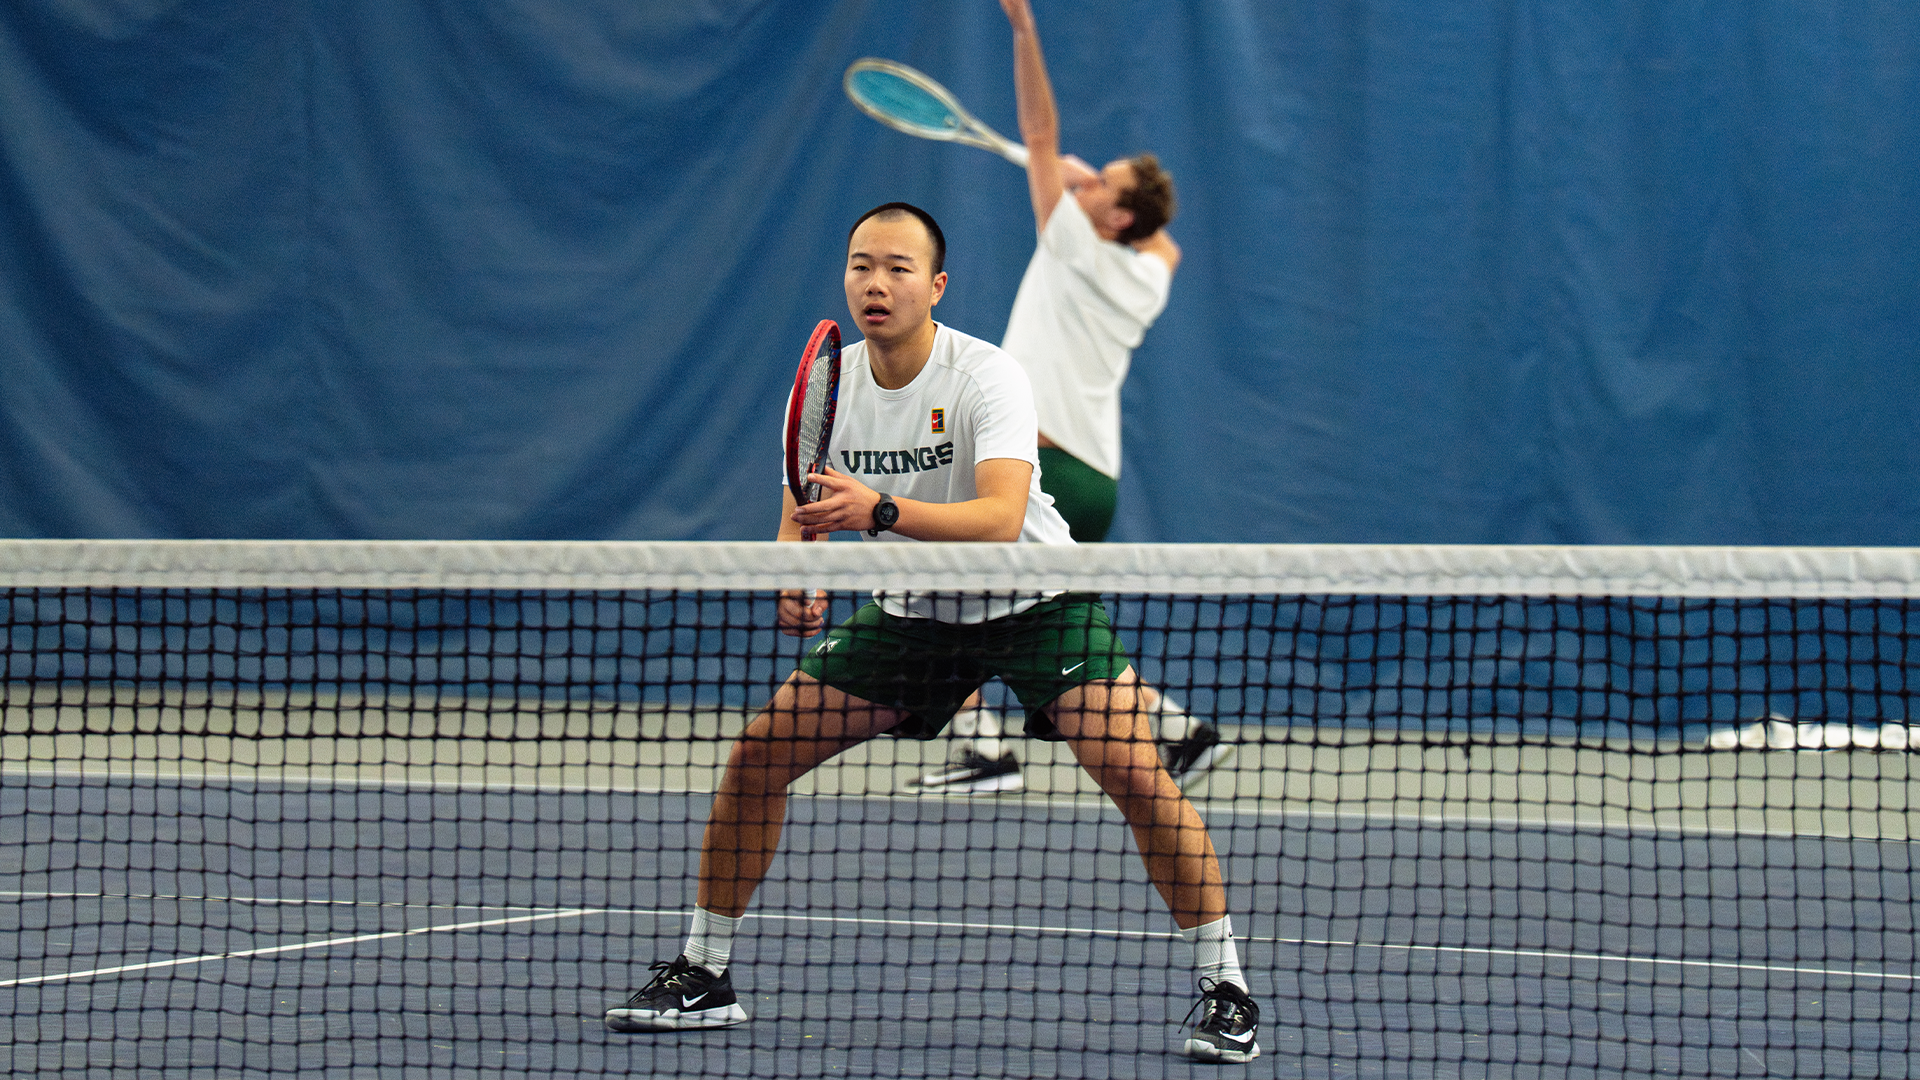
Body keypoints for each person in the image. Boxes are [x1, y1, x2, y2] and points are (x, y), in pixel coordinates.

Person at [604, 202, 1261, 1063]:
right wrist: (798, 577)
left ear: (936, 285)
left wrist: (878, 509)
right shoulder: (827, 389)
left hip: (1036, 601)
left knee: (1136, 775)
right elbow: (798, 516)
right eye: (861, 265)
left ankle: (1227, 990)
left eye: (899, 268)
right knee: (758, 755)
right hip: (915, 614)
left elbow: (997, 517)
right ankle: (704, 971)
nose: (876, 283)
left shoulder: (986, 376)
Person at [911, 0, 1234, 797]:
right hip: (1098, 484)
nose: (1088, 185)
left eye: (1108, 186)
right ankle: (1178, 728)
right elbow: (1166, 235)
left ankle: (984, 747)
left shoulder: (1070, 239)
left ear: (1114, 215)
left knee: (946, 579)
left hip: (1041, 469)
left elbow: (1042, 135)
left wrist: (1025, 32)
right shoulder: (1147, 271)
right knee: (1053, 628)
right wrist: (1105, 189)